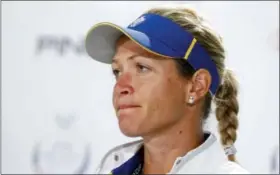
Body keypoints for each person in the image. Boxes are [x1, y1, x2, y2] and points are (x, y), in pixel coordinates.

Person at [85, 6, 249, 174]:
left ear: (196, 86)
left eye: (142, 68)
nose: (120, 87)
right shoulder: (109, 170)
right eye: (117, 71)